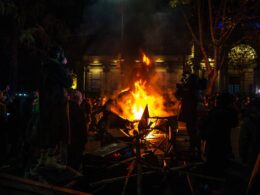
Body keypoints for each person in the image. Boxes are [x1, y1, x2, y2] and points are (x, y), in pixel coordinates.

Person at [38, 46, 72, 161]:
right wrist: (66, 70)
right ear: (59, 55)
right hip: (57, 103)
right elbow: (68, 82)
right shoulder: (56, 67)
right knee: (58, 132)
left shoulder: (44, 66)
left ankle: (44, 158)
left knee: (47, 130)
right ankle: (54, 160)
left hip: (46, 103)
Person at [202, 92, 238, 174]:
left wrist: (203, 134)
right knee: (223, 163)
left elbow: (207, 126)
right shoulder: (231, 112)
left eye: (217, 99)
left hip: (213, 143)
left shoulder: (215, 112)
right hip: (225, 141)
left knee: (213, 164)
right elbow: (235, 123)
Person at [177, 72, 200, 154]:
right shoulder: (194, 89)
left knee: (192, 131)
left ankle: (194, 148)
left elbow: (179, 95)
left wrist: (180, 88)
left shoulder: (191, 90)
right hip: (191, 113)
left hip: (190, 113)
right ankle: (194, 147)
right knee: (192, 131)